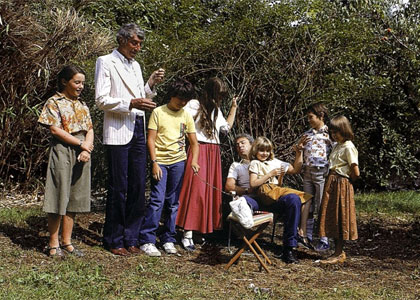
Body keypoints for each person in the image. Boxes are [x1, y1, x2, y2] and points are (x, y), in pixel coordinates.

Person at [95, 23, 165, 256]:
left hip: (138, 127)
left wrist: (150, 85)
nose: (138, 47)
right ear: (122, 40)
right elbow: (101, 99)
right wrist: (131, 103)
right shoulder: (105, 61)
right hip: (117, 129)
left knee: (137, 186)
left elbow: (139, 96)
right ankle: (114, 239)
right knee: (119, 187)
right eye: (135, 42)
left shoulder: (136, 66)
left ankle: (131, 237)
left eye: (140, 44)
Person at [138, 78, 200, 256]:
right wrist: (154, 162)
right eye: (180, 98)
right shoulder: (158, 112)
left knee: (173, 203)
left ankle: (168, 239)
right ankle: (147, 240)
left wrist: (194, 161)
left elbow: (194, 143)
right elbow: (151, 139)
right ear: (172, 96)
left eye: (185, 100)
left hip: (178, 162)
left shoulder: (186, 115)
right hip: (161, 162)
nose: (182, 103)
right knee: (157, 200)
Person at [38, 65, 94, 257]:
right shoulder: (54, 102)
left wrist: (86, 147)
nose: (80, 87)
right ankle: (53, 243)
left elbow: (90, 129)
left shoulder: (82, 105)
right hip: (63, 148)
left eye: (83, 83)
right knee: (58, 194)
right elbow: (55, 129)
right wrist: (81, 144)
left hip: (82, 150)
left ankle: (67, 241)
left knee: (75, 196)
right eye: (76, 82)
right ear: (65, 81)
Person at [176, 77, 238, 251]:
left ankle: (197, 230)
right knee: (196, 191)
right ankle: (186, 233)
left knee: (208, 193)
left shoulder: (216, 110)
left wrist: (233, 108)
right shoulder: (193, 105)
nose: (219, 100)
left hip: (213, 153)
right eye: (217, 95)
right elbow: (182, 124)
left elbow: (226, 128)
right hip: (199, 150)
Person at [226, 135, 307, 264]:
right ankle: (242, 211)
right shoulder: (237, 165)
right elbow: (229, 186)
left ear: (252, 145)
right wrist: (246, 190)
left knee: (293, 199)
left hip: (273, 199)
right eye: (237, 144)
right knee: (246, 200)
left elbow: (296, 169)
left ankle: (289, 248)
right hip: (255, 198)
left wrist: (299, 152)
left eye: (243, 143)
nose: (240, 146)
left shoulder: (275, 162)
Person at [318, 115, 360, 264]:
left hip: (341, 183)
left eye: (337, 132)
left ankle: (339, 252)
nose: (334, 135)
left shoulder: (348, 146)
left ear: (344, 130)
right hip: (332, 182)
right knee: (332, 216)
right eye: (332, 132)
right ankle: (336, 251)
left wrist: (345, 183)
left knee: (340, 216)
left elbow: (355, 171)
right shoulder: (337, 145)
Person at [298, 102, 333, 251]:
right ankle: (307, 235)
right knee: (307, 203)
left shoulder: (329, 134)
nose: (309, 120)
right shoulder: (307, 134)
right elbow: (300, 150)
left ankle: (324, 238)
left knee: (321, 204)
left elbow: (336, 152)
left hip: (321, 173)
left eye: (311, 117)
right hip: (307, 172)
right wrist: (298, 148)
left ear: (321, 116)